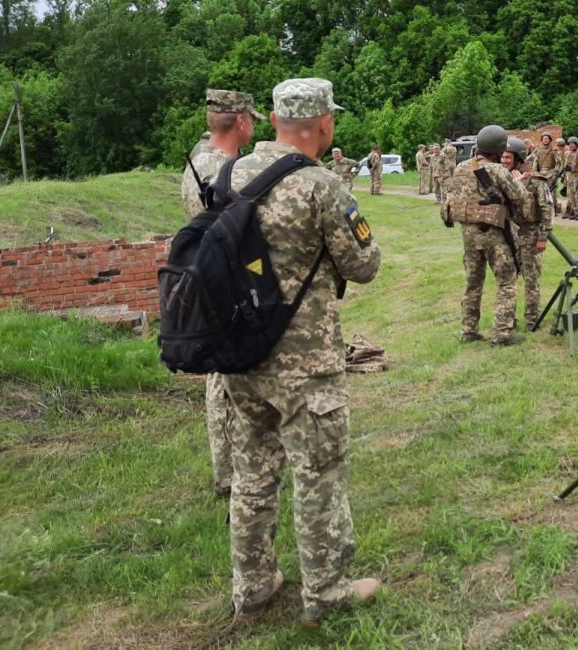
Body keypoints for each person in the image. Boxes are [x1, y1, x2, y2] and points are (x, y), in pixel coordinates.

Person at [223, 77, 382, 627]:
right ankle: (328, 593)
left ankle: (252, 589)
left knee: (252, 477)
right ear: (325, 124)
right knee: (319, 475)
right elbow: (364, 265)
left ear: (272, 121)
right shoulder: (320, 186)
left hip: (239, 355)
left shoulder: (228, 174)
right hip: (304, 362)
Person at [180, 88, 263, 499]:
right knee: (226, 379)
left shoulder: (200, 159)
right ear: (242, 121)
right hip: (223, 283)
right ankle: (231, 474)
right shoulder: (220, 169)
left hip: (206, 275)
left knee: (222, 377)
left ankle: (229, 470)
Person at [443, 124, 528, 345]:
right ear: (500, 149)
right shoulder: (498, 170)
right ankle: (501, 334)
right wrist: (519, 182)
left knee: (473, 283)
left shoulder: (461, 167)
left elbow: (450, 201)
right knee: (506, 282)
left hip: (468, 235)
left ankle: (468, 330)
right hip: (494, 235)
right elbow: (519, 197)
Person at [503, 136, 553, 327]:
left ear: (518, 158)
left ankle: (532, 318)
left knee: (531, 279)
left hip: (530, 233)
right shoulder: (505, 179)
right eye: (503, 157)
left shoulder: (536, 181)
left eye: (508, 158)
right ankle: (509, 318)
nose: (504, 161)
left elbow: (547, 209)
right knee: (508, 278)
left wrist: (543, 237)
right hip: (510, 233)